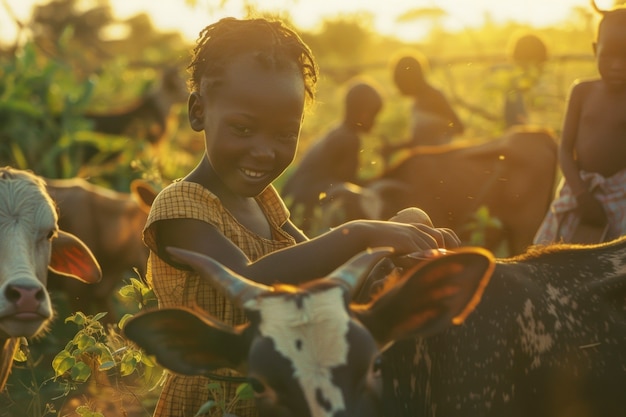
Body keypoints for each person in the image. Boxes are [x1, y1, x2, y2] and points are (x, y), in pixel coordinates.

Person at [142, 17, 460, 417]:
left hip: (291, 392)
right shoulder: (179, 208)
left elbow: (313, 274)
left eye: (284, 135)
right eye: (242, 129)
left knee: (412, 216)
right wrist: (361, 233)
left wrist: (398, 240)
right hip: (217, 401)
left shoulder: (266, 203)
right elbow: (251, 280)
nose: (263, 151)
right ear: (198, 112)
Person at [533, 4, 626, 245]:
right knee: (548, 254)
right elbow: (564, 150)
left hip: (621, 197)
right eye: (608, 55)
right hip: (576, 192)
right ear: (595, 50)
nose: (618, 65)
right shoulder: (581, 92)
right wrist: (582, 197)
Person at [281, 79, 383, 234]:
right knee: (361, 197)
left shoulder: (337, 131)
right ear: (364, 114)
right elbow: (348, 181)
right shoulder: (349, 139)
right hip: (306, 201)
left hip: (294, 197)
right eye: (374, 116)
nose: (375, 122)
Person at [388, 52, 464, 151]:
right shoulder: (417, 101)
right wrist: (393, 147)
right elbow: (418, 142)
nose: (398, 88)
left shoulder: (434, 96)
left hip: (441, 160)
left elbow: (459, 127)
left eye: (399, 82)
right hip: (426, 161)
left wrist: (440, 135)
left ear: (409, 79)